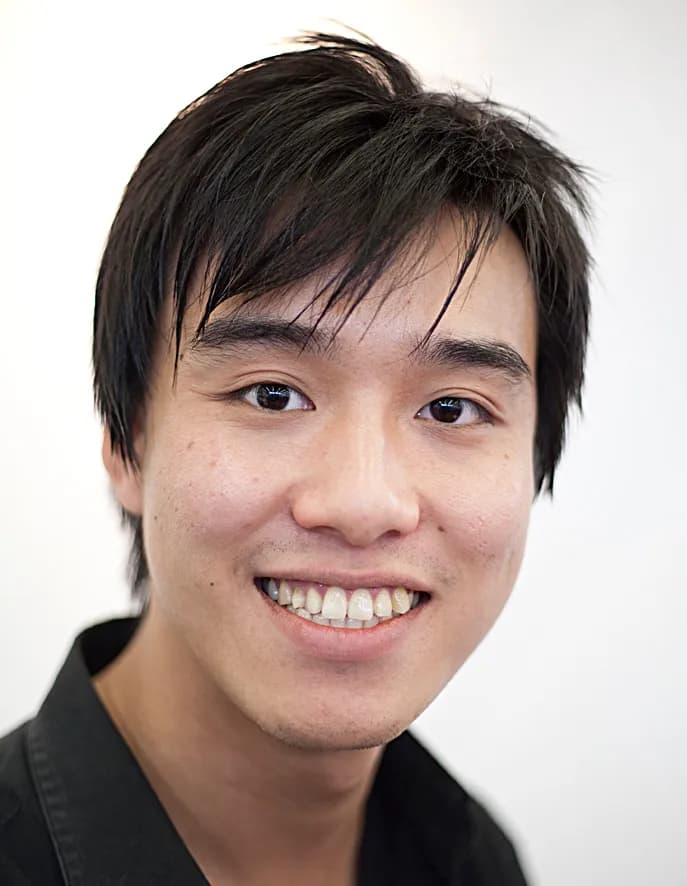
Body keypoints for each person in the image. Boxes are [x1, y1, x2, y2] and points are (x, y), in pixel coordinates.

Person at [0, 30, 592, 886]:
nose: (361, 503)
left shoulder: (471, 858)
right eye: (272, 394)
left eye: (451, 407)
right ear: (126, 441)